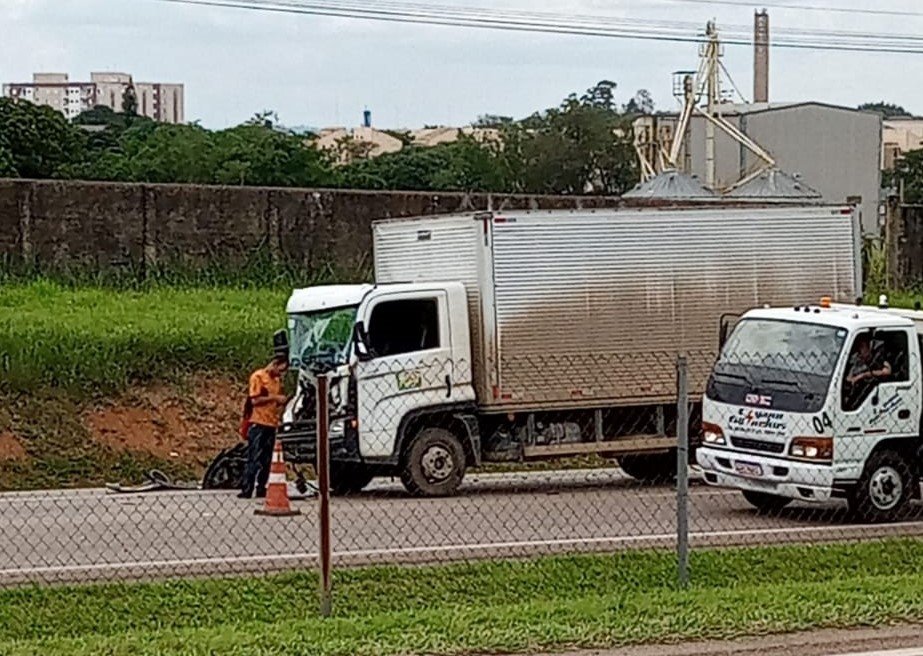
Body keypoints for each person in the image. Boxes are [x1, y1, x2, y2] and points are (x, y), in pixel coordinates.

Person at [238, 354, 289, 499]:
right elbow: (255, 400)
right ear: (274, 364)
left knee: (267, 459)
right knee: (254, 456)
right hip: (258, 422)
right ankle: (247, 488)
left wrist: (281, 401)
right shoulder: (258, 377)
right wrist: (274, 398)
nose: (281, 374)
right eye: (281, 369)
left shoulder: (277, 381)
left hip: (271, 423)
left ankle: (262, 487)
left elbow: (274, 402)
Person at [844, 333, 891, 410]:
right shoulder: (855, 359)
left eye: (862, 347)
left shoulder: (879, 356)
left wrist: (863, 375)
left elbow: (887, 371)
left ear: (870, 346)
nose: (860, 351)